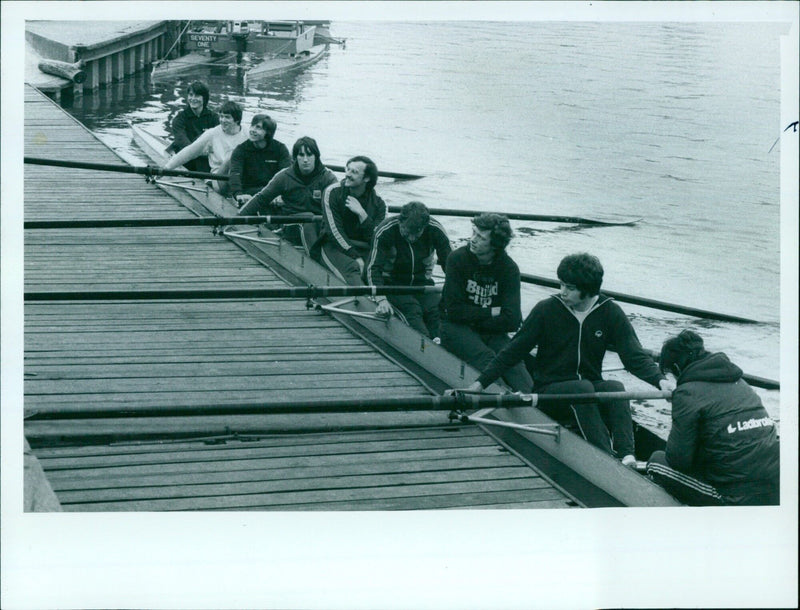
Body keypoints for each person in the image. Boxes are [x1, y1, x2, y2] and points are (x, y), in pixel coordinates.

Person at [465, 252, 673, 464]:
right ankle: (606, 459)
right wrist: (479, 384)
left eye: (570, 288)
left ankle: (627, 454)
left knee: (614, 387)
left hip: (588, 386)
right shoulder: (546, 309)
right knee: (582, 389)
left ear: (588, 290)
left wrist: (661, 381)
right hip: (550, 391)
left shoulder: (610, 311)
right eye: (561, 285)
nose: (562, 292)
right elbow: (512, 352)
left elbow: (634, 356)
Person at [646, 330, 779, 506]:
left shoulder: (686, 393)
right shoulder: (740, 382)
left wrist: (680, 404)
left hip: (737, 496)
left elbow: (678, 461)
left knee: (655, 461)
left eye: (672, 373)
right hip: (776, 484)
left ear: (677, 368)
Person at [440, 213, 533, 393]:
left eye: (481, 237)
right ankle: (506, 399)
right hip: (454, 328)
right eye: (473, 233)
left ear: (495, 245)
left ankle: (534, 402)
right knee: (487, 357)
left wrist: (473, 316)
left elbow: (513, 319)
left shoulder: (509, 269)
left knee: (513, 359)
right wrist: (492, 311)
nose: (472, 240)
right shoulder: (457, 259)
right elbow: (453, 311)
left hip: (489, 330)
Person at [366, 201, 452, 339]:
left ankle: (440, 342)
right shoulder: (385, 231)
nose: (411, 238)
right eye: (407, 233)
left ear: (425, 226)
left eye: (416, 234)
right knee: (413, 309)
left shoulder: (435, 229)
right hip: (392, 285)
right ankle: (425, 345)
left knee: (436, 310)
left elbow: (451, 266)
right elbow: (373, 269)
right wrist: (381, 299)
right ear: (400, 221)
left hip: (421, 283)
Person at [237, 136, 338, 253]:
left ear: (316, 157)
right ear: (295, 158)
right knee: (308, 218)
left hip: (319, 225)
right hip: (291, 225)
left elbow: (338, 208)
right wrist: (237, 219)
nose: (305, 160)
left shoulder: (328, 178)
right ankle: (315, 257)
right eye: (301, 155)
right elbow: (261, 199)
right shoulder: (284, 176)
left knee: (314, 222)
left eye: (309, 155)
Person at [313, 156, 386, 285]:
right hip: (333, 246)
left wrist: (363, 215)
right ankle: (367, 301)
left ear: (367, 178)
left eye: (354, 172)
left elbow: (377, 238)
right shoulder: (332, 192)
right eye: (348, 169)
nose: (347, 174)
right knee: (353, 269)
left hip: (363, 248)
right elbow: (334, 232)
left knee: (379, 274)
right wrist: (355, 256)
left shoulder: (379, 203)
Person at [164, 100, 247, 194]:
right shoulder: (212, 134)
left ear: (237, 120)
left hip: (240, 177)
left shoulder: (248, 133)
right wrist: (166, 169)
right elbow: (189, 152)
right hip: (219, 179)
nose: (222, 121)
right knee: (231, 157)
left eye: (227, 117)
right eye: (221, 116)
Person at [229, 114, 291, 206]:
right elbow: (235, 174)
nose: (252, 130)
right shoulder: (241, 150)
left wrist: (282, 195)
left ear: (268, 132)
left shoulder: (280, 149)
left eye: (258, 128)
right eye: (252, 126)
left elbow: (286, 176)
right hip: (249, 194)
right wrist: (238, 195)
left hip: (273, 194)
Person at [166, 81, 219, 174]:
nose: (193, 98)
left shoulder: (214, 117)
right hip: (187, 158)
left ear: (204, 98)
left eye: (197, 95)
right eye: (191, 95)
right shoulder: (179, 119)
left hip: (208, 157)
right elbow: (184, 144)